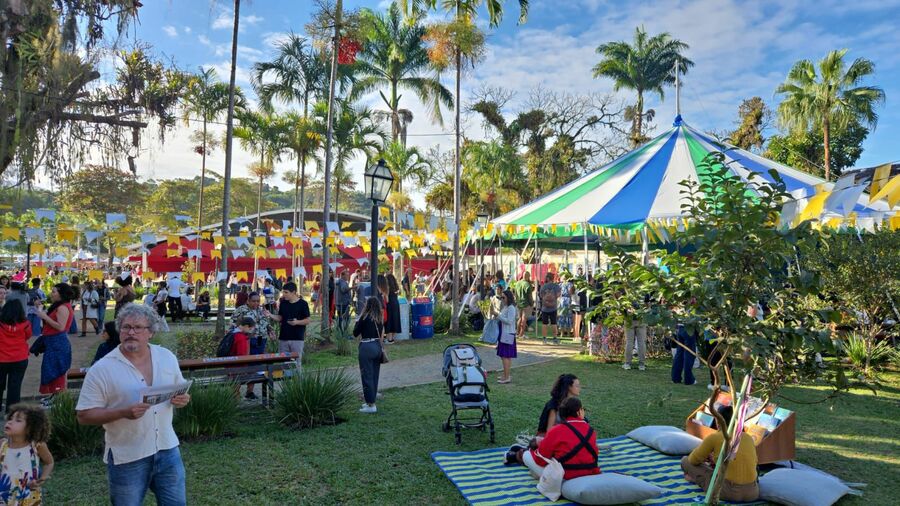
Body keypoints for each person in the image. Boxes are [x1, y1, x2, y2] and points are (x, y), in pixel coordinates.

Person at [76, 303, 191, 505]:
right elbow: (84, 415)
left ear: (151, 332)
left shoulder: (166, 357)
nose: (131, 332)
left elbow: (179, 391)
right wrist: (122, 412)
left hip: (168, 449)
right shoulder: (102, 369)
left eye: (138, 327)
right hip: (127, 456)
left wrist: (182, 400)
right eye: (126, 327)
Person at [681, 405, 759, 502]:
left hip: (725, 492)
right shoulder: (748, 437)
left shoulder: (715, 437)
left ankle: (697, 479)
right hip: (753, 492)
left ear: (718, 421)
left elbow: (692, 460)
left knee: (685, 461)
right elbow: (752, 462)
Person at [525, 397, 600, 481]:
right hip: (589, 473)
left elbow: (540, 460)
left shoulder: (556, 430)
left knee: (526, 455)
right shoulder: (591, 431)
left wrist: (534, 450)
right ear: (579, 412)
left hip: (564, 477)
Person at [1, 403, 55, 504]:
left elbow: (49, 462)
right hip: (4, 496)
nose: (10, 422)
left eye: (18, 420)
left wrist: (41, 479)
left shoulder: (36, 445)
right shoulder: (2, 445)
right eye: (10, 418)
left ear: (30, 428)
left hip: (29, 495)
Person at [33, 283, 76, 396]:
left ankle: (58, 399)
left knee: (57, 371)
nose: (51, 294)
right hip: (53, 342)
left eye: (53, 292)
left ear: (61, 294)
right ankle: (54, 397)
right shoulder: (59, 305)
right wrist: (40, 309)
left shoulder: (63, 307)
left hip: (58, 343)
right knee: (52, 370)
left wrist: (44, 316)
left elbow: (60, 327)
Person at [266, 282, 310, 370]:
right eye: (283, 292)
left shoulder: (303, 304)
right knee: (283, 362)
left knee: (296, 362)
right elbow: (280, 317)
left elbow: (308, 320)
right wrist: (270, 315)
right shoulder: (283, 303)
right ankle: (285, 382)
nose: (283, 294)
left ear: (293, 292)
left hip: (297, 338)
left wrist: (297, 322)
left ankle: (297, 382)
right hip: (283, 337)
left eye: (286, 292)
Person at [354, 297, 385, 414]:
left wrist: (358, 321)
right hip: (377, 347)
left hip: (366, 347)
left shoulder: (364, 317)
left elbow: (355, 332)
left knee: (366, 375)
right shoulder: (379, 318)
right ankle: (371, 400)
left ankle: (370, 404)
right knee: (374, 375)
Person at [0, 301, 31, 412]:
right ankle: (11, 411)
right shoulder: (26, 323)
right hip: (20, 358)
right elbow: (28, 336)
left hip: (2, 358)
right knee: (15, 386)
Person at [496, 291, 517, 384]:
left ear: (509, 297)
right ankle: (505, 375)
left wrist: (498, 316)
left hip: (508, 333)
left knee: (505, 356)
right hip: (504, 332)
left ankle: (507, 376)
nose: (502, 299)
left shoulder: (511, 308)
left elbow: (509, 321)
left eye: (503, 297)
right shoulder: (506, 307)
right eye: (501, 297)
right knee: (504, 356)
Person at [538, 272, 561, 344]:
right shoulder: (556, 286)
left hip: (544, 307)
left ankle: (544, 339)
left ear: (547, 278)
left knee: (544, 323)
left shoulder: (543, 286)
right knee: (554, 323)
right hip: (553, 307)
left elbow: (541, 296)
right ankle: (555, 339)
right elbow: (558, 295)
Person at [513, 272, 534, 338]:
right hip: (526, 304)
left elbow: (515, 294)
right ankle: (521, 334)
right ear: (528, 276)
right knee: (524, 319)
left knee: (519, 318)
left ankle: (517, 333)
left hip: (519, 303)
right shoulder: (527, 284)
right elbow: (530, 296)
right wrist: (532, 303)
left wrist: (517, 301)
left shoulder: (517, 283)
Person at [385, 274, 402, 344]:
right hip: (396, 303)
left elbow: (387, 299)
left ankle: (389, 339)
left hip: (389, 304)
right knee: (395, 320)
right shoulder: (396, 286)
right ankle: (392, 338)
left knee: (389, 320)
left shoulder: (387, 287)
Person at [335, 270, 352, 335]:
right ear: (342, 275)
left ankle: (340, 332)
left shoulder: (338, 281)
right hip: (343, 303)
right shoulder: (342, 282)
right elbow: (343, 289)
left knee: (340, 318)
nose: (347, 276)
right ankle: (343, 333)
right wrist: (352, 288)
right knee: (345, 318)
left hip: (339, 302)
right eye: (346, 275)